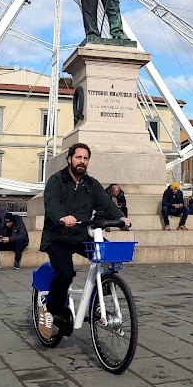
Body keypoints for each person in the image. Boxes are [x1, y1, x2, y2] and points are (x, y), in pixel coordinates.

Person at [38, 143, 130, 338]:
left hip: (81, 234)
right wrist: (62, 218)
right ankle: (50, 309)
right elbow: (51, 204)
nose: (82, 161)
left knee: (108, 260)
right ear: (69, 159)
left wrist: (121, 217)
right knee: (65, 272)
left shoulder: (91, 184)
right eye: (78, 157)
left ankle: (98, 303)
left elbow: (106, 203)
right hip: (58, 236)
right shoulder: (56, 181)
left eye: (85, 158)